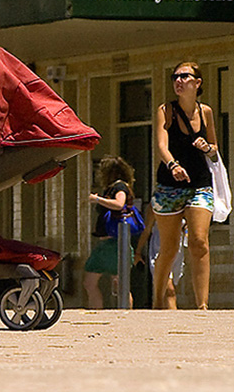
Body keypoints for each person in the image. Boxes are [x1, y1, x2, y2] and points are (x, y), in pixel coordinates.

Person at [150, 61, 219, 310]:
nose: (178, 81)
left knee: (199, 241)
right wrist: (172, 165)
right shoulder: (165, 110)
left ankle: (202, 304)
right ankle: (158, 300)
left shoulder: (206, 112)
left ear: (197, 83)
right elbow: (161, 145)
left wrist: (207, 148)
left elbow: (214, 149)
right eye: (175, 77)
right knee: (169, 248)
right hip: (169, 185)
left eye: (184, 77)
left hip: (200, 184)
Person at [83, 156, 139, 308]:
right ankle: (109, 311)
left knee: (105, 282)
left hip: (113, 243)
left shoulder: (120, 187)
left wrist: (97, 199)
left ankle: (122, 313)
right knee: (115, 282)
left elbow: (119, 204)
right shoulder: (116, 187)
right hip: (109, 243)